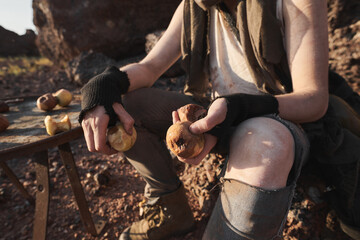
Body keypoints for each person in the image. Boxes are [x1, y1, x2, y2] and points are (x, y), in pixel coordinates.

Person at [78, 0, 358, 239]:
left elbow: (313, 100)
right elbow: (150, 67)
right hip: (216, 118)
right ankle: (169, 207)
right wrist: (103, 87)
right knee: (128, 102)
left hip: (280, 120)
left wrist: (237, 108)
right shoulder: (195, 6)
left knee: (266, 142)